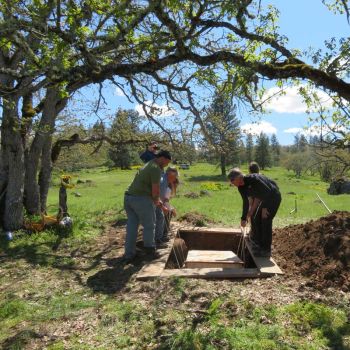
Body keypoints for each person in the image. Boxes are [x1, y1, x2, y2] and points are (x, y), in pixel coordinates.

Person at [123, 150, 172, 262]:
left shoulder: (147, 164)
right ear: (162, 158)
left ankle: (129, 254)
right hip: (141, 199)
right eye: (166, 162)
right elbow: (155, 192)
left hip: (128, 198)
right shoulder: (155, 168)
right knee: (149, 226)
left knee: (132, 227)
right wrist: (162, 206)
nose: (166, 165)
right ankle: (150, 252)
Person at [228, 167, 281, 257]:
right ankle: (258, 244)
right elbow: (245, 202)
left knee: (265, 220)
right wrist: (244, 217)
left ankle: (266, 250)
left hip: (273, 197)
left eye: (232, 180)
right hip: (263, 199)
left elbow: (267, 191)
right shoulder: (241, 187)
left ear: (239, 177)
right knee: (255, 217)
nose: (231, 183)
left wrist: (264, 208)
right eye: (230, 181)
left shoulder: (253, 179)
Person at [155, 167, 179, 245]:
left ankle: (163, 235)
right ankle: (161, 237)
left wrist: (170, 208)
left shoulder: (168, 184)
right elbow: (164, 199)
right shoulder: (165, 185)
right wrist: (170, 208)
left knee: (167, 214)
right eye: (174, 177)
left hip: (160, 203)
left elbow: (165, 199)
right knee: (163, 217)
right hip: (157, 203)